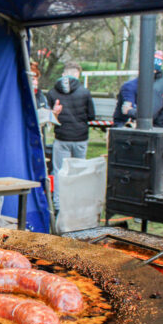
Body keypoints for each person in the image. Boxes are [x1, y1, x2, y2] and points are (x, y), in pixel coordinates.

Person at [46, 61, 95, 211]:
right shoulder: (85, 92)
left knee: (60, 172)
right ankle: (77, 203)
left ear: (64, 73)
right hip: (80, 137)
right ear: (77, 74)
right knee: (79, 172)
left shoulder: (52, 93)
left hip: (62, 137)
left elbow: (50, 116)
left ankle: (58, 205)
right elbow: (91, 116)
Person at [112, 50, 163, 128]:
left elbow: (148, 115)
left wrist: (130, 111)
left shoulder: (156, 88)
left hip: (156, 128)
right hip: (161, 127)